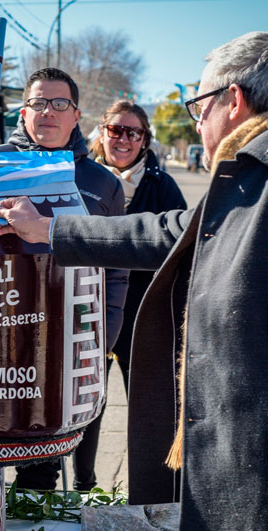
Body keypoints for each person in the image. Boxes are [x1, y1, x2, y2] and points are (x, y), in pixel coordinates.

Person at [0, 32, 268, 531]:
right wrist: (49, 229)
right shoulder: (264, 171)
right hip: (242, 481)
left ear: (235, 100)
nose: (198, 123)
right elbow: (167, 231)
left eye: (199, 107)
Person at [0, 67, 128, 492]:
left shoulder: (102, 184)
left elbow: (116, 271)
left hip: (63, 341)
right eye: (37, 102)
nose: (47, 112)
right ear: (23, 112)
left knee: (41, 463)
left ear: (76, 116)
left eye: (59, 104)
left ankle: (31, 526)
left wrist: (102, 338)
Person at [89, 100, 187, 391]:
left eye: (134, 133)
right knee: (85, 407)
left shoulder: (163, 186)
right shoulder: (81, 180)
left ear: (145, 140)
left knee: (147, 408)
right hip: (88, 313)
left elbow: (181, 251)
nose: (124, 139)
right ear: (102, 133)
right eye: (115, 130)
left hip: (143, 318)